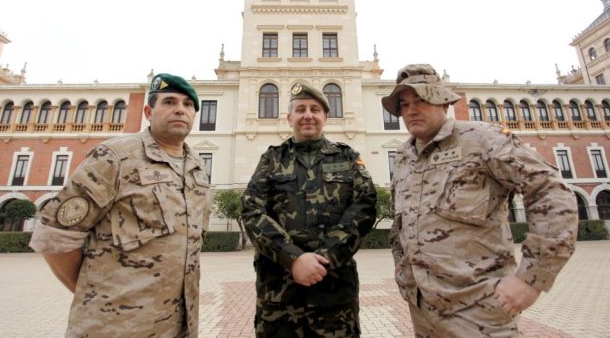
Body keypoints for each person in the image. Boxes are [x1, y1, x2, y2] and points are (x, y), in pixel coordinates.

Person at [382, 64, 578, 337]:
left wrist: (532, 279)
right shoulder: (404, 157)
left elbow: (552, 192)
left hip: (479, 310)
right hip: (422, 311)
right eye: (403, 104)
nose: (411, 110)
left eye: (421, 100)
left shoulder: (482, 140)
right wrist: (404, 278)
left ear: (443, 102)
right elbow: (400, 227)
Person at [30, 73, 212, 338]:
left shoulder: (196, 166)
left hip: (179, 325)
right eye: (169, 102)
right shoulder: (115, 156)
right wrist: (97, 297)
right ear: (149, 111)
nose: (179, 110)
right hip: (115, 327)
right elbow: (55, 237)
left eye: (187, 105)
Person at [241, 82, 377, 337]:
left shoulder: (346, 158)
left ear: (326, 116)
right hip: (278, 296)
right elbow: (251, 210)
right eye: (300, 109)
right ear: (289, 118)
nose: (308, 115)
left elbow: (365, 207)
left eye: (315, 109)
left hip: (335, 296)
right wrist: (293, 258)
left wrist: (325, 259)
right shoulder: (271, 159)